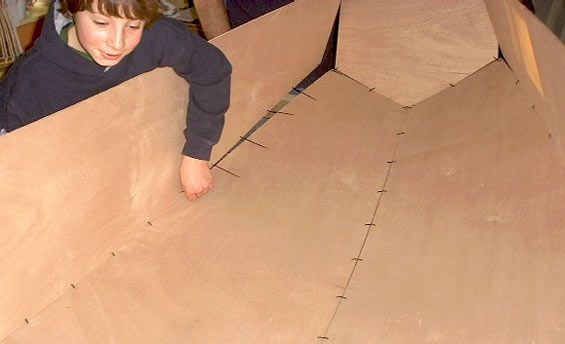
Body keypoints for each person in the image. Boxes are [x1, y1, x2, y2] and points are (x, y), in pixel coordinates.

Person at [0, 0, 232, 201]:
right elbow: (21, 171)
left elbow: (213, 70)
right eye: (101, 23)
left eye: (133, 26)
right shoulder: (35, 81)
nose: (118, 43)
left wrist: (197, 154)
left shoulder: (156, 36)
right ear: (72, 8)